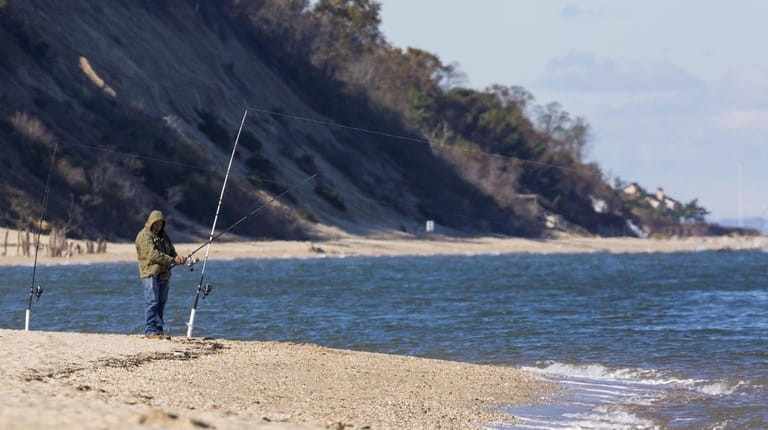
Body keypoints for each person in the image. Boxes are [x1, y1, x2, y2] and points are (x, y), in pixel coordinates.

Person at [135, 210, 186, 339]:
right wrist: (171, 260)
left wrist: (178, 258)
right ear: (151, 223)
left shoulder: (164, 236)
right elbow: (152, 255)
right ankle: (150, 331)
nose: (158, 226)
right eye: (156, 224)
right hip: (150, 273)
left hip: (164, 274)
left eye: (160, 224)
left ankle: (158, 330)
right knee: (152, 301)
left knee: (161, 302)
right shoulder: (144, 236)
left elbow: (172, 252)